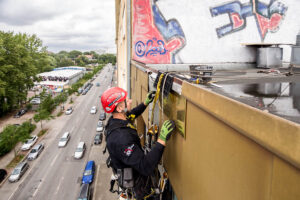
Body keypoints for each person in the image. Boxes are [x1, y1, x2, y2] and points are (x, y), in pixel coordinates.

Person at [101, 87, 175, 200]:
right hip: (139, 186)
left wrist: (145, 103)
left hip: (134, 170)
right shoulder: (121, 138)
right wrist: (162, 139)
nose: (130, 101)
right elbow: (145, 166)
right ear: (120, 107)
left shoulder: (116, 121)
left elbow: (132, 114)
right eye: (126, 100)